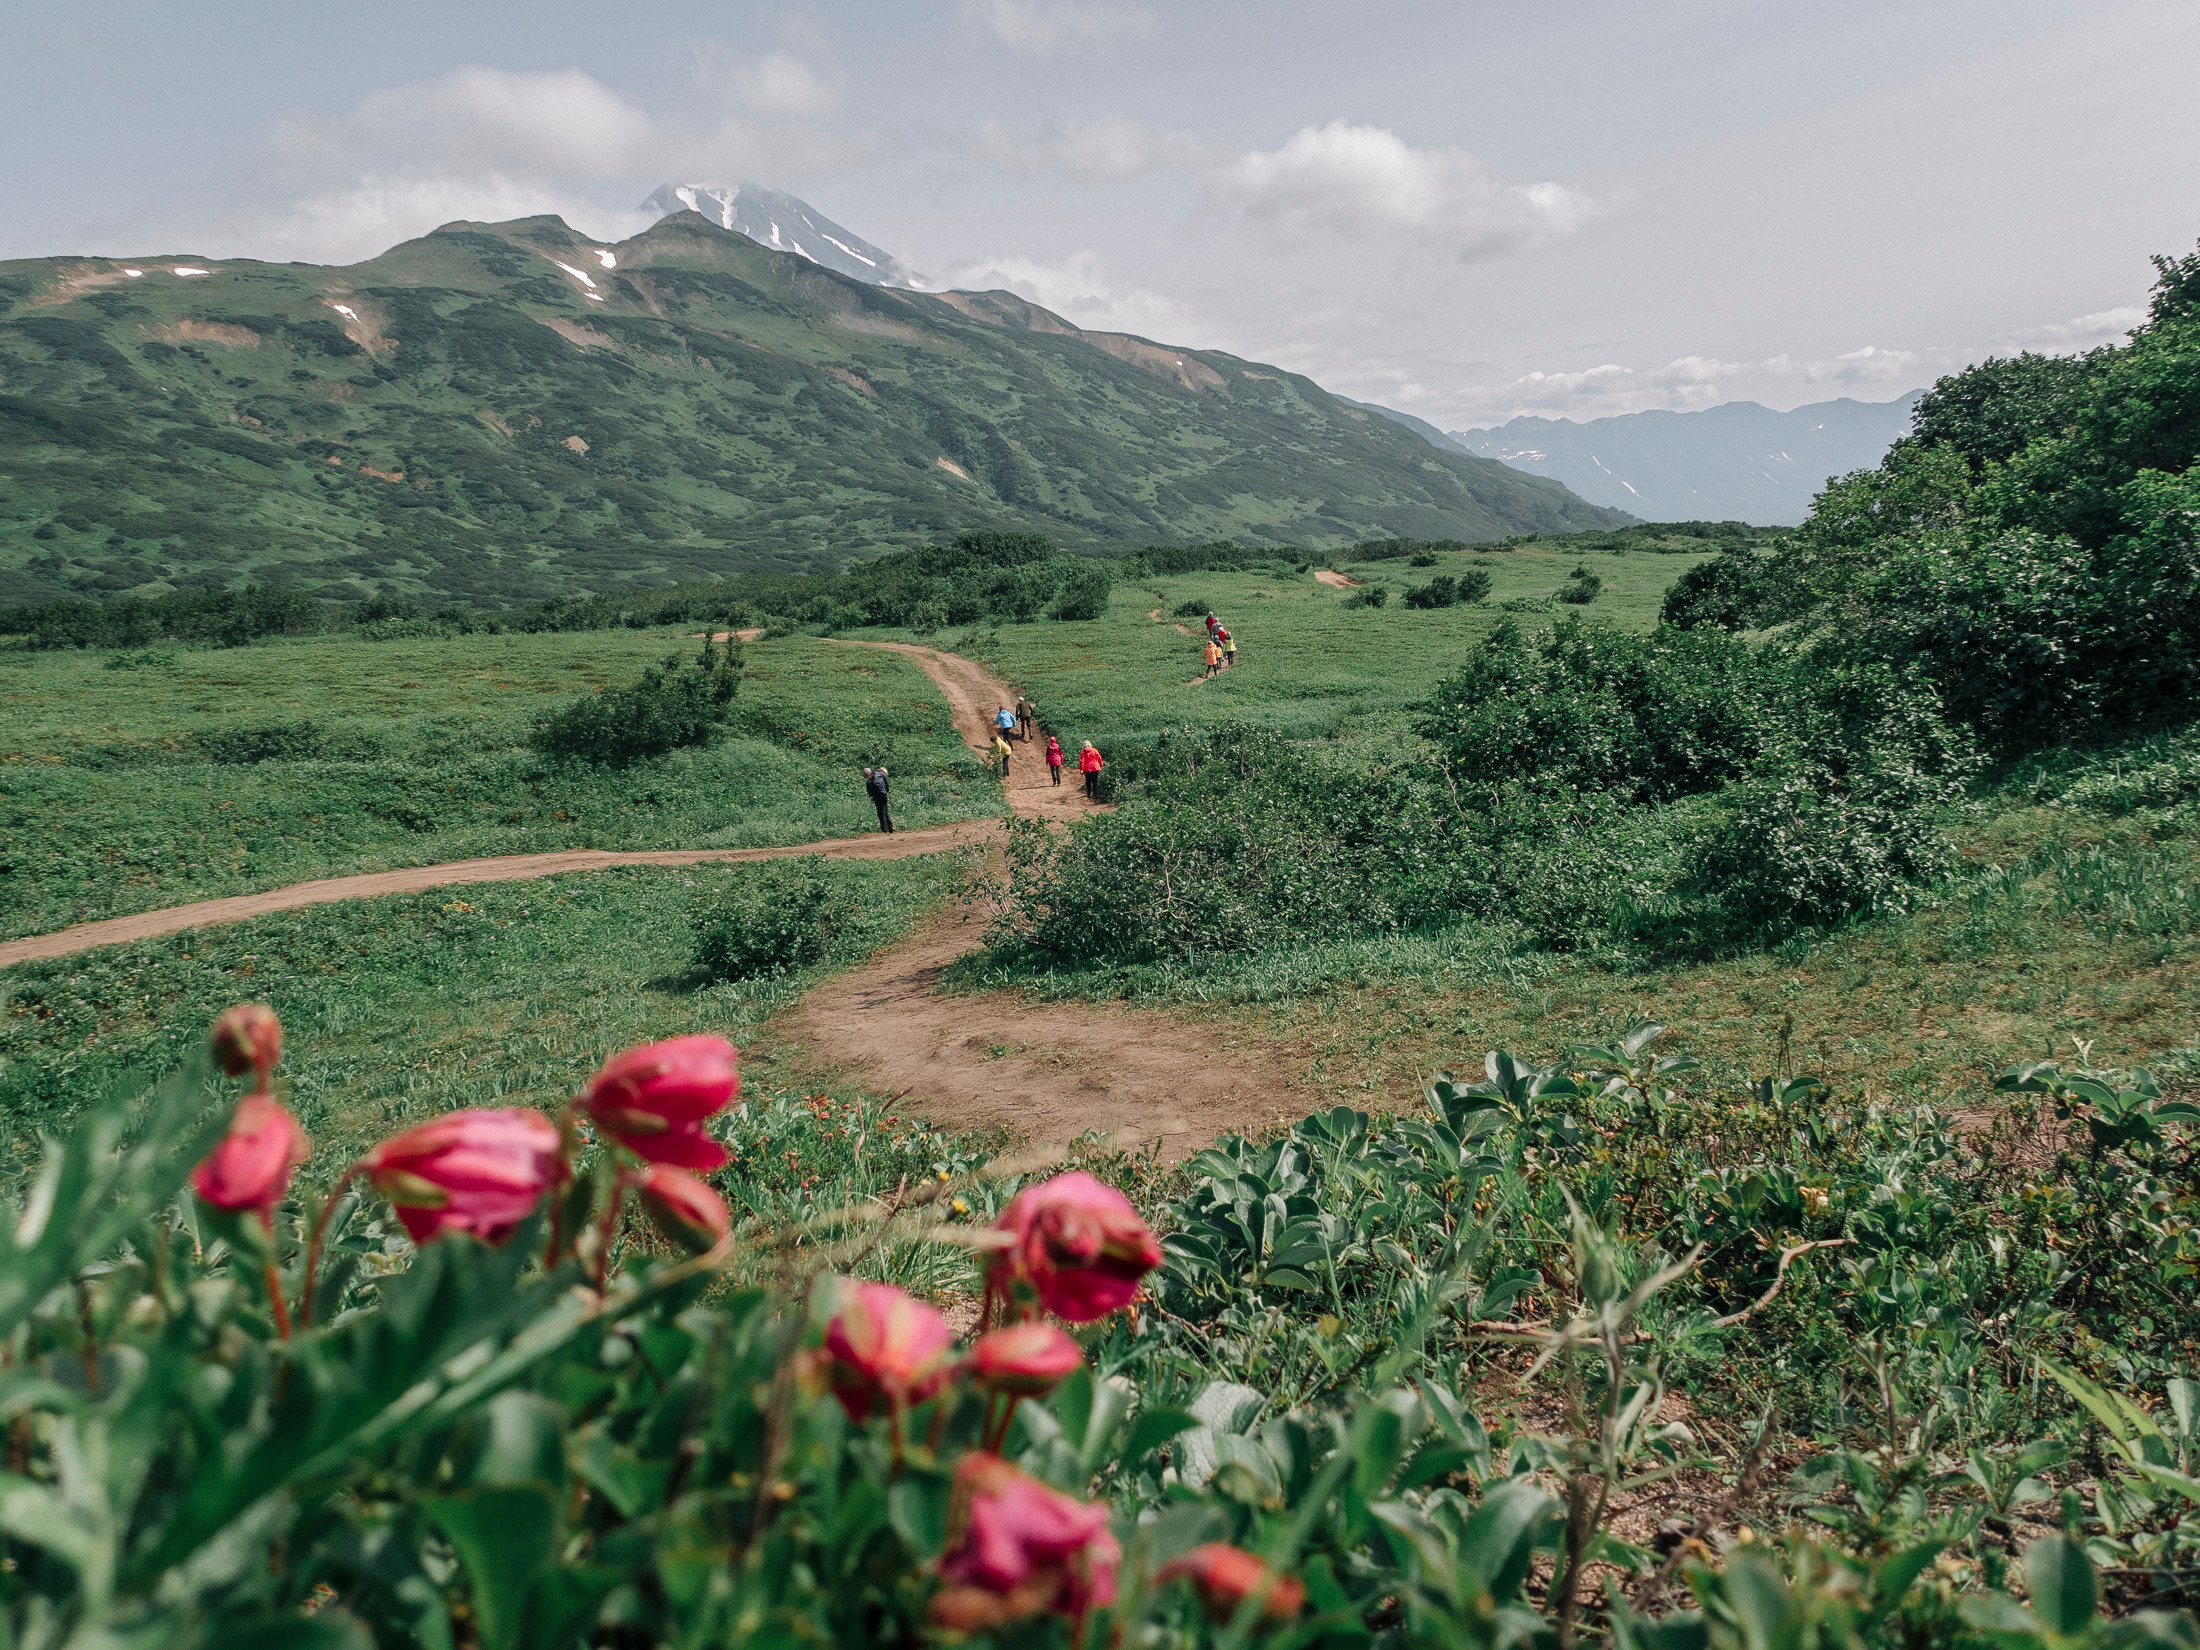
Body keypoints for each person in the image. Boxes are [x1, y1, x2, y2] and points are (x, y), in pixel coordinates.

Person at [864, 766, 894, 834]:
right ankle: (890, 827)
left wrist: (885, 796)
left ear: (868, 775)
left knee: (881, 813)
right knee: (885, 812)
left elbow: (879, 787)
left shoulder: (875, 778)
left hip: (880, 796)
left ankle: (885, 829)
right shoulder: (878, 776)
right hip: (881, 795)